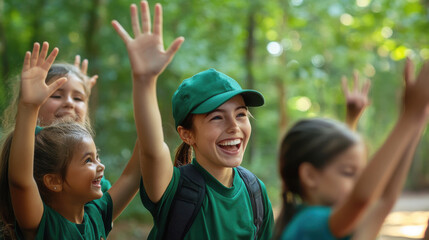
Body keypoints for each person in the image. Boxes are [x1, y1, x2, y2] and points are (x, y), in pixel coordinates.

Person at [111, 1, 274, 239]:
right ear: (187, 134)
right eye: (217, 117)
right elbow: (151, 148)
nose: (234, 126)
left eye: (241, 114)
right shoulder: (174, 188)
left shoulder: (255, 193)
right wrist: (144, 80)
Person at [273, 58, 429, 240]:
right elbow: (361, 199)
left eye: (360, 174)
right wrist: (408, 117)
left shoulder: (338, 226)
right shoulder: (308, 224)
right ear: (310, 175)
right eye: (349, 173)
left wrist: (417, 120)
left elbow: (385, 199)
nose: (360, 182)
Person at [0, 42, 141, 239]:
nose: (69, 103)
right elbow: (21, 179)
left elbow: (133, 171)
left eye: (78, 99)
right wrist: (29, 106)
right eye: (56, 95)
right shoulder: (45, 221)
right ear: (52, 180)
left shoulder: (93, 213)